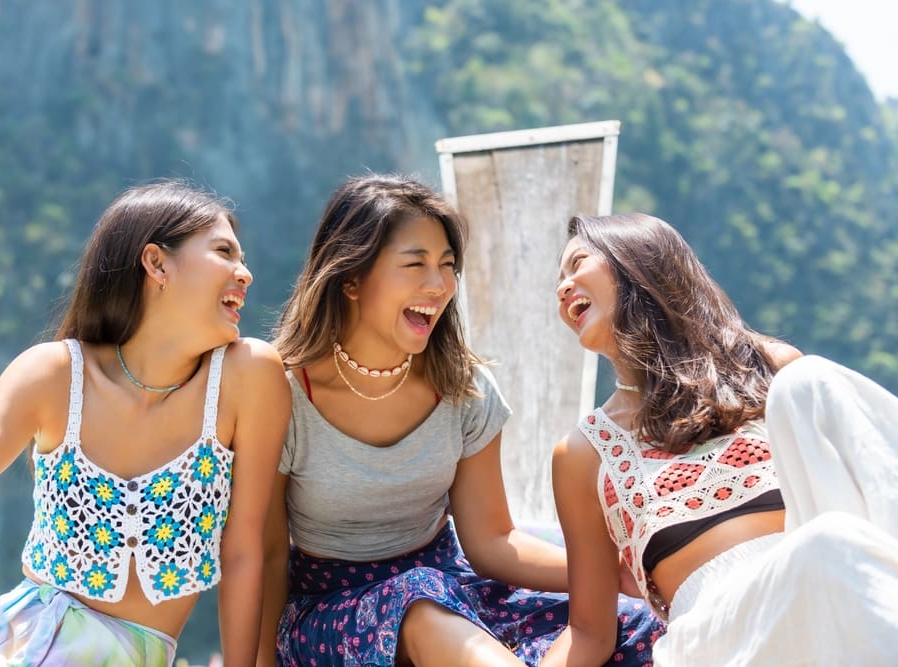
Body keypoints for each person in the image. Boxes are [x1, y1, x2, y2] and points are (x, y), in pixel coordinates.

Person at [259, 175, 661, 667]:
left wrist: (612, 575)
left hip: (453, 587)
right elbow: (267, 556)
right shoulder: (281, 392)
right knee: (418, 597)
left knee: (635, 624)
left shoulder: (463, 387)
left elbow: (492, 541)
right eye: (416, 264)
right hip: (327, 610)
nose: (439, 284)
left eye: (447, 266)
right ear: (351, 279)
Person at [0, 181, 291, 666]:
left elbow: (244, 553)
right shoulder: (53, 373)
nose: (245, 273)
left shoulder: (247, 376)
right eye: (224, 252)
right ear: (156, 263)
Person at [544, 212, 898, 666]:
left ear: (636, 259)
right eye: (560, 279)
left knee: (810, 382)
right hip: (719, 640)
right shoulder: (584, 453)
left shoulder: (768, 369)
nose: (563, 287)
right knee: (827, 546)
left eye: (577, 264)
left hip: (834, 588)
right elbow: (589, 632)